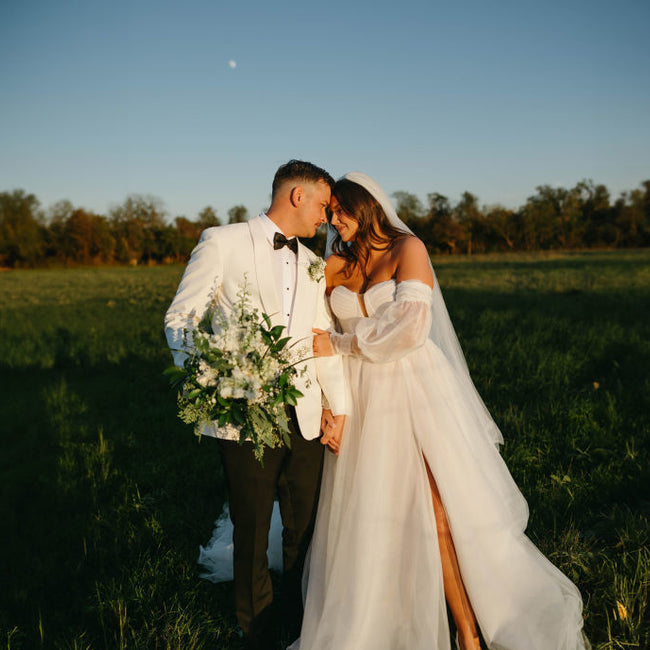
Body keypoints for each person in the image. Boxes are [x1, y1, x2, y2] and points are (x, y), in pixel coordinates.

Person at [292, 172, 589, 650]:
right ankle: (389, 615)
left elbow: (410, 329)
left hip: (415, 390)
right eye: (329, 214)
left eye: (341, 212)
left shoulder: (408, 249)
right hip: (362, 398)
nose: (334, 221)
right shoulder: (332, 265)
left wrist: (341, 342)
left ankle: (469, 630)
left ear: (365, 207)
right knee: (375, 515)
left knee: (439, 512)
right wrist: (330, 402)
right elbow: (304, 328)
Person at [164, 160, 349, 650]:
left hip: (306, 416)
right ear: (296, 196)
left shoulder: (312, 260)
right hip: (243, 415)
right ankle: (259, 634)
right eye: (323, 206)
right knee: (251, 529)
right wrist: (215, 378)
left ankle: (301, 625)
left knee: (304, 528)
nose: (326, 219)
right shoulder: (221, 241)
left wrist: (335, 404)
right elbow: (181, 320)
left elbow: (318, 338)